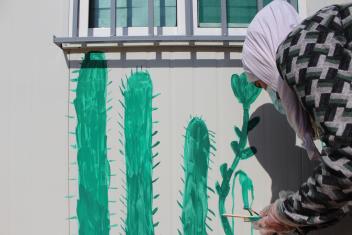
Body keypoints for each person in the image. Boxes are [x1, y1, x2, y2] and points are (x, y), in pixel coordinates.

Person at [242, 0, 352, 234]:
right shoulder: (323, 37)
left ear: (266, 61)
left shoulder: (300, 47)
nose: (270, 94)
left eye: (262, 84)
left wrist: (284, 213)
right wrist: (293, 218)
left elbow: (347, 162)